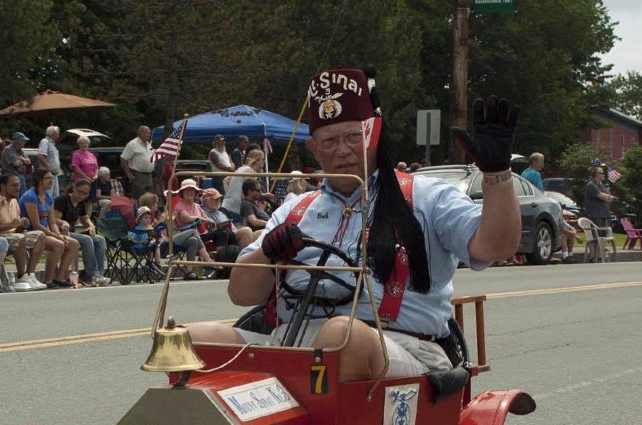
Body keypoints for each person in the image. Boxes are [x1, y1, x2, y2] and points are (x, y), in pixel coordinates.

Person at [189, 67, 522, 383]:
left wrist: (496, 173)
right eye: (330, 141)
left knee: (340, 336)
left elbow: (496, 246)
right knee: (192, 340)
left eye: (352, 136)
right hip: (292, 341)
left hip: (400, 348)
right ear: (313, 148)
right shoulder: (294, 210)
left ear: (374, 133)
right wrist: (268, 253)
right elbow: (240, 294)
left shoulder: (425, 197)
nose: (343, 151)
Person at [0, 173, 47, 291]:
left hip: (12, 233)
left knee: (40, 235)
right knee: (19, 238)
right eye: (13, 185)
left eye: (18, 185)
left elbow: (15, 227)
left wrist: (21, 225)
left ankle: (30, 274)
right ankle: (21, 277)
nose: (17, 188)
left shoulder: (13, 200)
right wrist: (10, 225)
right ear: (2, 186)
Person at [20, 169, 78, 288]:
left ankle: (59, 277)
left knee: (73, 244)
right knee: (58, 245)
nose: (51, 181)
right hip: (31, 232)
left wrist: (60, 235)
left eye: (52, 178)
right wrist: (57, 237)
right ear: (39, 180)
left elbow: (52, 222)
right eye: (48, 178)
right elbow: (35, 224)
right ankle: (48, 279)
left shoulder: (48, 197)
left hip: (45, 232)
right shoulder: (30, 197)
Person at [52, 178, 110, 286]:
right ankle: (92, 274)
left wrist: (91, 226)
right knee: (87, 240)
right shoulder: (62, 199)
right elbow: (54, 219)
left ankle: (99, 274)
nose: (82, 196)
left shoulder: (80, 203)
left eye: (85, 194)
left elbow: (85, 218)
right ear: (74, 188)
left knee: (100, 239)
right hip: (60, 232)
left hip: (72, 232)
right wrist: (63, 222)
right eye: (80, 192)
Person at [168, 178, 216, 280]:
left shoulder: (198, 206)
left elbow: (207, 219)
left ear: (195, 192)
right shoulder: (179, 205)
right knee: (193, 231)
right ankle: (208, 260)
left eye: (192, 189)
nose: (189, 192)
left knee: (193, 240)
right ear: (182, 192)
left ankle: (189, 272)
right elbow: (188, 219)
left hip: (194, 237)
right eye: (186, 190)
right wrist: (203, 219)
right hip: (177, 237)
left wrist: (210, 222)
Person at [222, 148, 265, 221]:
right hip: (235, 208)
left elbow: (225, 181)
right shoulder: (249, 171)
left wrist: (230, 194)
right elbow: (252, 193)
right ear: (257, 160)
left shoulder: (242, 168)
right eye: (262, 159)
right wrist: (264, 197)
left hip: (227, 205)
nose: (264, 161)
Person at [121, 125, 155, 199]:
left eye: (149, 133)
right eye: (147, 133)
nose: (149, 135)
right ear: (140, 133)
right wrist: (129, 174)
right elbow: (123, 159)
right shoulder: (132, 144)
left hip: (149, 176)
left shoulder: (149, 145)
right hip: (138, 175)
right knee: (140, 198)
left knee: (150, 198)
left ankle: (148, 211)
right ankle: (139, 210)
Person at [69, 135, 100, 213]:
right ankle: (77, 221)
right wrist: (87, 178)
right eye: (82, 143)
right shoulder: (76, 154)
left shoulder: (91, 155)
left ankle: (87, 221)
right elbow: (76, 168)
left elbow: (96, 167)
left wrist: (95, 175)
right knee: (79, 200)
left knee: (89, 201)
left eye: (85, 143)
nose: (84, 145)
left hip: (92, 181)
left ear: (88, 144)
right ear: (79, 144)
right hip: (80, 181)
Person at [583, 166, 615, 235]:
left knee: (603, 237)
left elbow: (609, 197)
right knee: (596, 236)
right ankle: (594, 246)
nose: (604, 174)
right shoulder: (591, 185)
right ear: (596, 174)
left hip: (604, 215)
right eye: (602, 173)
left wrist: (607, 196)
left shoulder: (601, 185)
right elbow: (602, 196)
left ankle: (602, 246)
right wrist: (607, 196)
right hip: (596, 215)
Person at [37, 126, 63, 197]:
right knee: (47, 195)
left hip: (54, 175)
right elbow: (41, 156)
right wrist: (48, 170)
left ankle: (52, 208)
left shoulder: (52, 144)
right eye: (57, 133)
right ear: (53, 133)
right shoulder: (45, 142)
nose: (58, 135)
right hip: (48, 175)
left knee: (55, 196)